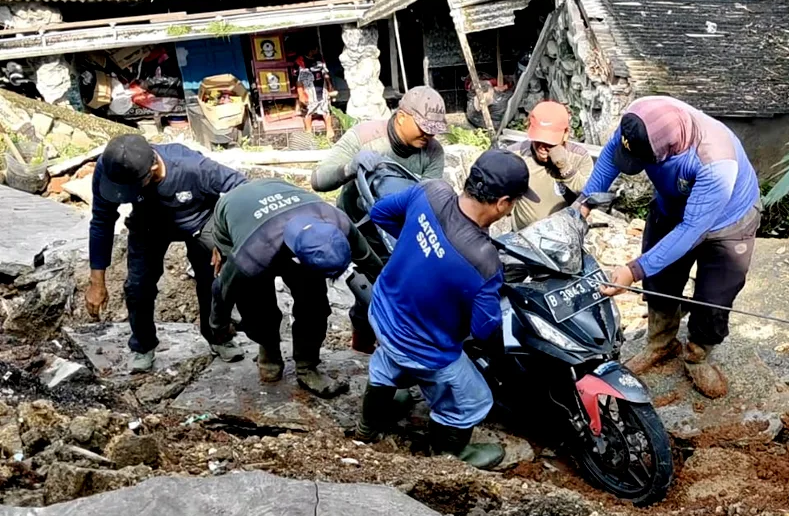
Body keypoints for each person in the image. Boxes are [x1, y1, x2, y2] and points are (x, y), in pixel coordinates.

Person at [353, 149, 541, 469]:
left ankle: (367, 427)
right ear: (502, 203)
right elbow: (483, 331)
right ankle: (447, 456)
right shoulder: (484, 260)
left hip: (383, 312)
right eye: (513, 203)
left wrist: (424, 250)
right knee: (474, 399)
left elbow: (381, 213)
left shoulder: (431, 191)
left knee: (387, 360)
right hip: (423, 347)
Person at [582, 96, 761, 399]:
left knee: (714, 298)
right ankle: (661, 343)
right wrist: (584, 204)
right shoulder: (641, 118)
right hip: (671, 209)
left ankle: (697, 355)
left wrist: (632, 270)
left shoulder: (715, 160)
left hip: (727, 224)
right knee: (660, 281)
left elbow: (692, 230)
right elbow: (613, 154)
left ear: (667, 151)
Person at [205, 179, 384, 398]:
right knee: (257, 305)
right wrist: (218, 328)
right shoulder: (251, 256)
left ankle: (307, 366)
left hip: (282, 193)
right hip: (236, 212)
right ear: (298, 259)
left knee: (314, 303)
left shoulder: (339, 222)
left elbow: (375, 267)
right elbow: (222, 292)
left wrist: (397, 307)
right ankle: (269, 352)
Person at [85, 134, 248, 373]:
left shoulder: (194, 167)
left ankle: (218, 336)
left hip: (201, 220)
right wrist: (96, 281)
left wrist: (225, 239)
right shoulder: (111, 169)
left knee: (213, 281)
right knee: (138, 286)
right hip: (148, 224)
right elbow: (101, 221)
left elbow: (242, 188)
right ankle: (143, 346)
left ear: (152, 169)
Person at [312, 86, 449, 352]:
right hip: (358, 229)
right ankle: (363, 349)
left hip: (399, 232)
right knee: (369, 295)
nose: (429, 134)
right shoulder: (364, 136)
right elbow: (318, 179)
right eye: (423, 126)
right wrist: (350, 167)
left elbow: (429, 201)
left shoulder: (432, 152)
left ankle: (395, 351)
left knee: (400, 295)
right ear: (401, 117)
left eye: (434, 128)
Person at [511, 100, 595, 230]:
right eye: (539, 140)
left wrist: (565, 168)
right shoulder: (516, 155)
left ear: (565, 134)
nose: (543, 147)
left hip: (564, 235)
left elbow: (589, 195)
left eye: (550, 141)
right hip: (523, 236)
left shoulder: (579, 157)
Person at [294, 47, 334, 141]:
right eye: (315, 48)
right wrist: (301, 94)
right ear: (311, 49)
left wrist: (329, 85)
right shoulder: (300, 61)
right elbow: (298, 80)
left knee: (326, 109)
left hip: (322, 88)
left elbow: (325, 73)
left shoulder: (320, 59)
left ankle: (329, 129)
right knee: (308, 111)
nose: (317, 50)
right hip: (308, 90)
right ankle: (308, 131)